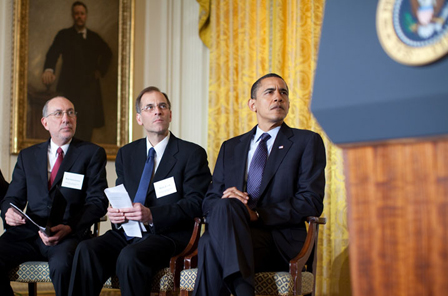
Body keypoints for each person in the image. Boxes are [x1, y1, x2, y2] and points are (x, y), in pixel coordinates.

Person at [68, 86, 211, 296]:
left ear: (170, 115)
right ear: (139, 118)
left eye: (162, 106)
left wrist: (152, 215)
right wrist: (116, 214)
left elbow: (196, 202)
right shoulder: (127, 153)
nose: (157, 111)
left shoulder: (191, 153)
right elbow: (122, 196)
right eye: (150, 107)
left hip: (168, 235)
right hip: (129, 231)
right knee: (86, 250)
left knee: (130, 256)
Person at [192, 73, 327, 296]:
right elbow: (209, 201)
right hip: (237, 234)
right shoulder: (231, 147)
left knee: (209, 243)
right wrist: (228, 199)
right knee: (225, 207)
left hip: (279, 240)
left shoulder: (306, 142)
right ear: (252, 104)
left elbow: (310, 201)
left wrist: (258, 215)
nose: (278, 98)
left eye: (283, 92)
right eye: (270, 92)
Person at [0, 96, 108, 296]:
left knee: (63, 266)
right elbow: (12, 198)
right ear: (45, 122)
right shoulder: (28, 156)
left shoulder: (91, 154)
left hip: (66, 234)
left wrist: (70, 228)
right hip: (27, 234)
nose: (66, 118)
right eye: (58, 113)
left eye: (71, 113)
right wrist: (8, 212)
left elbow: (98, 201)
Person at [42, 1, 112, 142]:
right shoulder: (64, 35)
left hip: (89, 90)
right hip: (70, 88)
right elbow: (53, 53)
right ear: (73, 16)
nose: (79, 16)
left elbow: (108, 53)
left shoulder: (94, 37)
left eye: (82, 13)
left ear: (85, 16)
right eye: (76, 14)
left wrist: (100, 70)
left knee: (87, 124)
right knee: (67, 123)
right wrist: (49, 69)